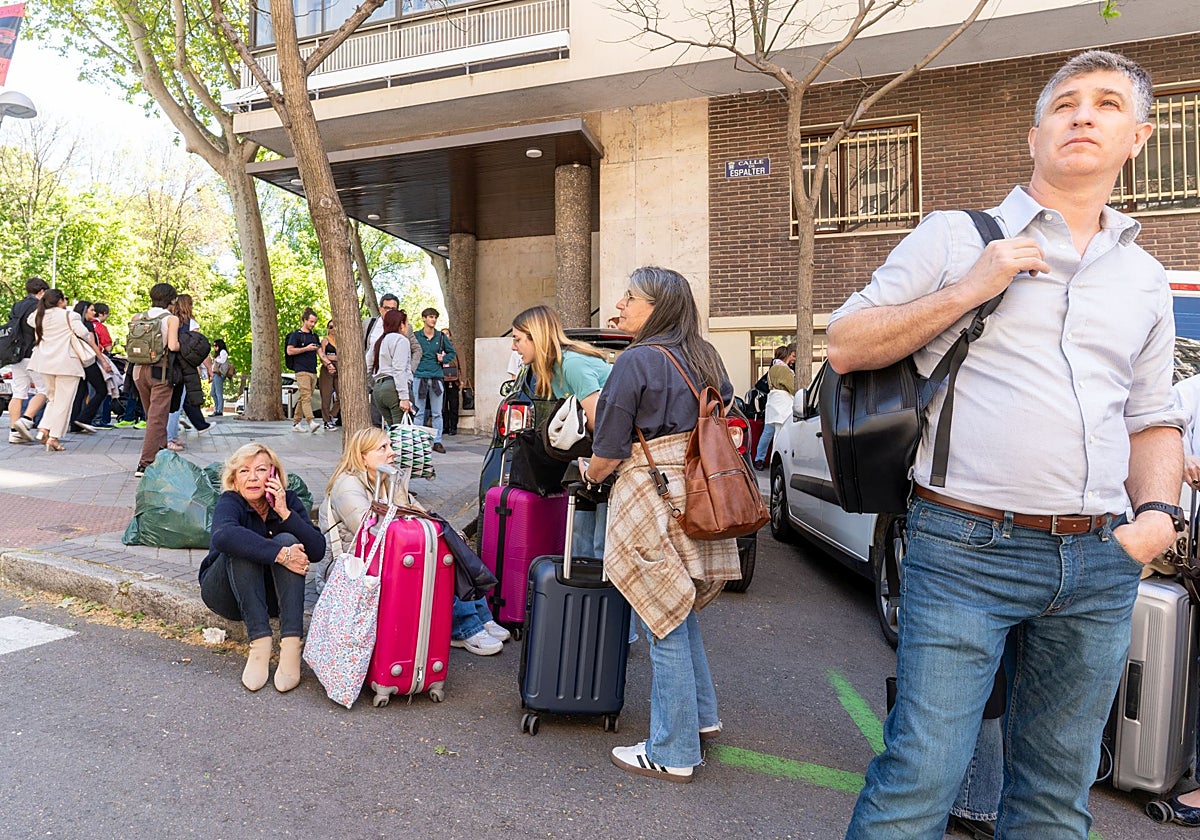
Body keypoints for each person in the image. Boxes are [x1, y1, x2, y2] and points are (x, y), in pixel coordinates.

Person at [831, 51, 1184, 838]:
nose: (1083, 116)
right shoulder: (957, 238)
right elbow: (846, 344)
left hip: (1099, 558)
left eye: (1105, 104)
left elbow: (1152, 415)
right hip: (963, 548)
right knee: (921, 775)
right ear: (1034, 136)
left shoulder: (1144, 277)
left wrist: (1157, 515)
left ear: (1138, 137)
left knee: (1058, 793)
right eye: (1065, 104)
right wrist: (971, 288)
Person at [582, 266, 742, 783]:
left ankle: (672, 750)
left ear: (656, 307)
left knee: (661, 615)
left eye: (630, 298)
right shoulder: (706, 357)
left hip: (651, 496)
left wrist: (590, 471)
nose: (621, 305)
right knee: (680, 602)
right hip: (699, 492)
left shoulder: (636, 361)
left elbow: (607, 450)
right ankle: (701, 717)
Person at [200, 443, 324, 692]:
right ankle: (260, 645)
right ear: (234, 478)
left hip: (270, 598)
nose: (253, 477)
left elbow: (317, 550)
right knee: (241, 543)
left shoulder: (287, 501)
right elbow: (223, 536)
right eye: (244, 471)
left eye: (261, 470)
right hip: (226, 592)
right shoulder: (230, 501)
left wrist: (285, 514)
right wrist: (280, 555)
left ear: (274, 475)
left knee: (288, 539)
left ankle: (290, 648)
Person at [510, 304, 612, 557]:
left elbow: (600, 423)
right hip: (599, 451)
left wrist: (594, 467)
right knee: (582, 538)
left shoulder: (572, 365)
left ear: (537, 337)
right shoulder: (552, 371)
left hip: (614, 450)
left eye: (517, 339)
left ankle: (600, 590)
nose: (514, 347)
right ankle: (581, 585)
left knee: (601, 543)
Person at [25, 289, 93, 452]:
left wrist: (43, 304)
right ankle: (53, 437)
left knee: (53, 398)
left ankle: (44, 429)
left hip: (44, 362)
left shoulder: (38, 316)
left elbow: (30, 320)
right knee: (64, 402)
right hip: (66, 363)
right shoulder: (70, 316)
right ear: (61, 301)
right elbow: (84, 333)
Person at [133, 283, 182, 477]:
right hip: (159, 371)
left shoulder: (138, 317)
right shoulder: (171, 319)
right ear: (171, 300)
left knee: (153, 417)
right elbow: (173, 345)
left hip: (138, 371)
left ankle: (162, 458)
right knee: (157, 419)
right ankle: (145, 464)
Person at [164, 294, 211, 450]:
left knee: (173, 401)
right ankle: (169, 437)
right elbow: (198, 349)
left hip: (168, 364)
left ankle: (173, 435)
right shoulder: (191, 323)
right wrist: (209, 368)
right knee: (176, 403)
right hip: (184, 368)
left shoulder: (169, 319)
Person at [8, 276, 49, 445]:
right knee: (44, 390)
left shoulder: (17, 305)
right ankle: (25, 420)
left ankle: (13, 432)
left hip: (15, 354)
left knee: (18, 392)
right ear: (41, 292)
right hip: (32, 353)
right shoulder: (39, 306)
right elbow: (40, 329)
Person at [413, 307, 454, 454]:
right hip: (420, 376)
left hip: (436, 377)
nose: (433, 320)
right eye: (430, 317)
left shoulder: (441, 337)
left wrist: (444, 359)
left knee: (437, 412)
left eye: (435, 317)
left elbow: (452, 352)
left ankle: (437, 441)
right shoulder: (416, 336)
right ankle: (417, 442)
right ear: (424, 318)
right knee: (418, 411)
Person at [68, 300, 112, 434]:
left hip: (76, 361)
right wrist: (103, 361)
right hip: (88, 361)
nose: (94, 313)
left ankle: (75, 423)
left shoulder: (72, 324)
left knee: (80, 393)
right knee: (101, 390)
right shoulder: (87, 326)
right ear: (84, 311)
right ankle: (84, 418)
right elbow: (93, 345)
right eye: (92, 310)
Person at [367, 309, 414, 427]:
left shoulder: (379, 341)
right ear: (401, 324)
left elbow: (368, 366)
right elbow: (399, 369)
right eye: (406, 323)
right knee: (402, 432)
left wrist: (373, 385)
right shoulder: (401, 340)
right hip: (394, 388)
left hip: (379, 389)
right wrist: (404, 397)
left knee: (393, 430)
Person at [753, 344, 795, 470]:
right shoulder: (784, 370)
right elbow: (792, 387)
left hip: (772, 404)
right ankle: (776, 462)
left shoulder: (772, 368)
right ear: (787, 355)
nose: (794, 359)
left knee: (767, 433)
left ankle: (759, 459)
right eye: (793, 356)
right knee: (780, 433)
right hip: (782, 404)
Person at [286, 307, 322, 433]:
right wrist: (305, 349)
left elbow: (320, 352)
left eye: (315, 322)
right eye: (311, 322)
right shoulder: (296, 335)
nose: (313, 324)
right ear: (305, 320)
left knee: (304, 397)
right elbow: (289, 350)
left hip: (313, 370)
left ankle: (296, 423)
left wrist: (328, 364)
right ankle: (310, 421)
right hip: (301, 370)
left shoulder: (314, 336)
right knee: (306, 396)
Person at [91, 302, 116, 427]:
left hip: (83, 360)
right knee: (103, 389)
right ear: (102, 314)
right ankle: (100, 418)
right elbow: (108, 347)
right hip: (98, 360)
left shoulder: (85, 325)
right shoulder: (100, 328)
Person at [318, 321, 340, 430]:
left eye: (335, 327)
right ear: (327, 328)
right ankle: (326, 421)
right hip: (327, 368)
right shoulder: (325, 341)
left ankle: (332, 415)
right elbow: (322, 355)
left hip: (339, 367)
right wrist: (328, 364)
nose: (333, 329)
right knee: (326, 396)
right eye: (331, 327)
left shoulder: (340, 341)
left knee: (341, 395)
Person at [440, 327, 460, 435]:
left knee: (453, 403)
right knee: (443, 404)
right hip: (441, 378)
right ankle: (445, 426)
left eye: (447, 334)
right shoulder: (437, 347)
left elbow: (462, 363)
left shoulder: (455, 347)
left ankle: (453, 427)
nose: (445, 336)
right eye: (443, 334)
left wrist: (462, 379)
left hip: (453, 378)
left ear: (450, 336)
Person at [210, 338, 231, 416]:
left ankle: (219, 410)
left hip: (219, 374)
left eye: (215, 345)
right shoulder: (218, 354)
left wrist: (215, 360)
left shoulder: (223, 352)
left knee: (218, 392)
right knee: (213, 393)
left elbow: (222, 361)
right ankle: (216, 408)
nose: (214, 347)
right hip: (215, 374)